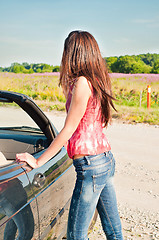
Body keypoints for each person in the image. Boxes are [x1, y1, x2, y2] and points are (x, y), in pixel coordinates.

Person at [16, 30, 123, 240]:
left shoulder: (82, 83)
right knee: (112, 228)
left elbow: (69, 129)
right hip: (105, 160)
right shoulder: (96, 80)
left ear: (73, 53)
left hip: (91, 164)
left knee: (75, 234)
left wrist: (38, 161)